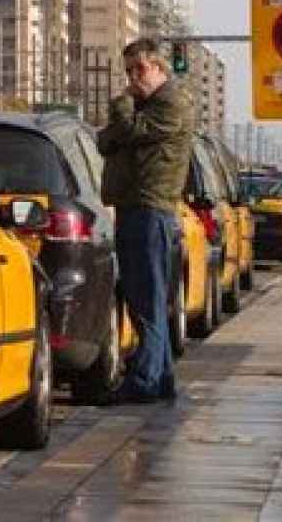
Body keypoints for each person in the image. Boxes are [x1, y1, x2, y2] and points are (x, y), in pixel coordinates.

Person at [97, 38, 196, 403]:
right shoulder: (143, 107)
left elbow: (127, 133)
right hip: (133, 208)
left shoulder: (171, 102)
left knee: (148, 300)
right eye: (128, 71)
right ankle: (162, 377)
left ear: (159, 67)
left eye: (140, 69)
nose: (133, 78)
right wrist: (122, 124)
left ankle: (143, 380)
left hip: (150, 209)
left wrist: (122, 106)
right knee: (143, 298)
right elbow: (104, 141)